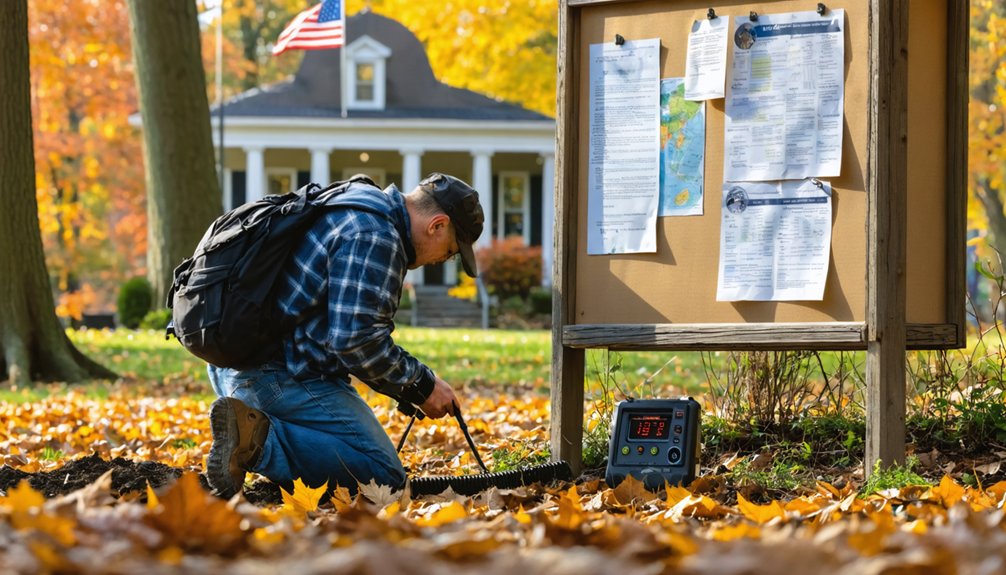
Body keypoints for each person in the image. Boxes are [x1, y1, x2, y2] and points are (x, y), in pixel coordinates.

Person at [205, 172, 485, 499]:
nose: (443, 259)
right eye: (450, 250)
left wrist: (407, 388)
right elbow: (356, 341)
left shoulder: (355, 199)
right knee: (385, 480)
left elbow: (347, 330)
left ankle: (255, 426)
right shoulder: (377, 235)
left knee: (359, 458)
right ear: (437, 225)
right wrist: (423, 386)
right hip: (274, 377)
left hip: (234, 365)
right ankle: (256, 440)